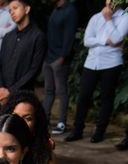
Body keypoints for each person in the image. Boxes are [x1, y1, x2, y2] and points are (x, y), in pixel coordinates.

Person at [66, 0, 128, 144]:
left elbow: (116, 38)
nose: (111, 1)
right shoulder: (96, 17)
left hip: (112, 63)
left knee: (106, 98)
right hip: (91, 63)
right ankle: (77, 130)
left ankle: (99, 132)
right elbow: (87, 41)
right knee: (83, 96)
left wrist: (108, 20)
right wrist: (104, 41)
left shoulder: (126, 17)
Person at [0, 0, 46, 106]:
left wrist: (10, 91)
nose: (12, 12)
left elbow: (34, 70)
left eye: (15, 8)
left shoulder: (38, 36)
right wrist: (0, 90)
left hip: (23, 96)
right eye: (10, 10)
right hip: (2, 97)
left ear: (27, 9)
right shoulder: (8, 36)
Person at [1, 90, 58, 164]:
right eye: (15, 116)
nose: (21, 122)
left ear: (36, 122)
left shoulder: (45, 157)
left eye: (28, 118)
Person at [43, 0, 78, 135]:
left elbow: (69, 36)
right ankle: (44, 120)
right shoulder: (56, 9)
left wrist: (63, 56)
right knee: (48, 91)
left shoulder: (70, 10)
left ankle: (61, 122)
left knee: (61, 91)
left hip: (59, 59)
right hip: (49, 57)